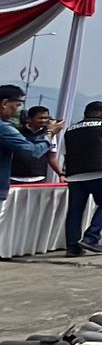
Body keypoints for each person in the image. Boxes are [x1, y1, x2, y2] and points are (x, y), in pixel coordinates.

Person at [0, 85, 65, 259]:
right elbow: (32, 152)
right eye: (17, 104)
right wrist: (51, 133)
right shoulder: (5, 128)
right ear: (5, 103)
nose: (17, 109)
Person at [61, 101, 102, 257]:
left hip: (75, 175)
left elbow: (64, 153)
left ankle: (72, 247)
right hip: (99, 172)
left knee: (75, 211)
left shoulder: (70, 129)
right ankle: (91, 238)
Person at [11, 105, 64, 185]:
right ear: (29, 119)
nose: (43, 120)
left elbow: (52, 157)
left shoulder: (50, 134)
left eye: (46, 118)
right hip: (14, 178)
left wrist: (61, 174)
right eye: (40, 118)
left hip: (38, 179)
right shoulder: (16, 132)